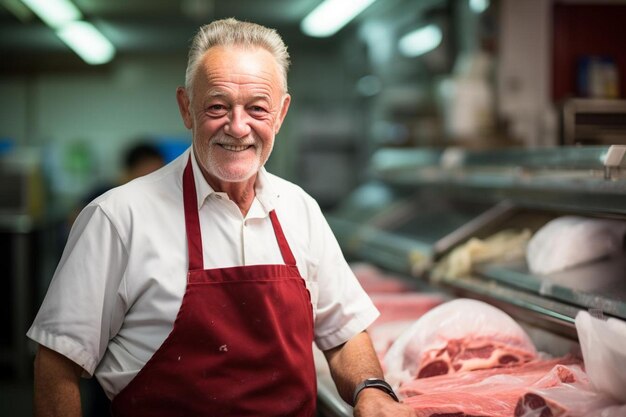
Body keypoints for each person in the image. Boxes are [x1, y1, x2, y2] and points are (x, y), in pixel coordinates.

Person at [28, 18, 416, 417]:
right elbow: (57, 364)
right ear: (186, 108)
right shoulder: (118, 217)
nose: (237, 126)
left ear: (281, 113)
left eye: (257, 108)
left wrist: (370, 389)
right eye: (217, 106)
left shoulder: (300, 209)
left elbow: (344, 331)